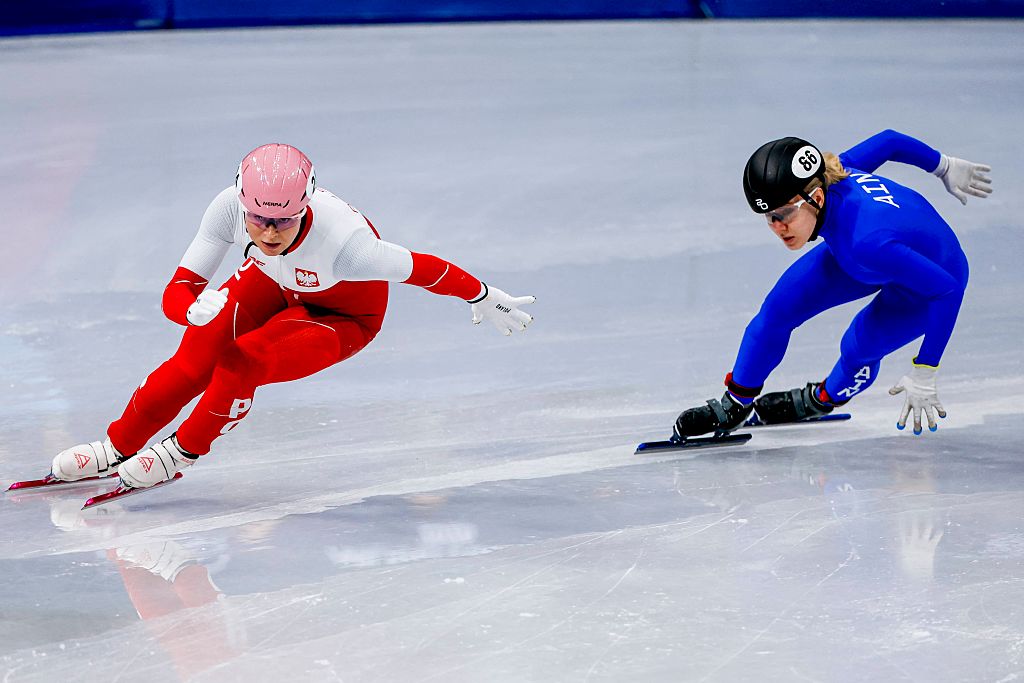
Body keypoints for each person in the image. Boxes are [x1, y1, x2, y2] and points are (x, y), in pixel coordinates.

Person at [49, 143, 535, 489]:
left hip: (341, 315)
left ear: (305, 205)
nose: (269, 230)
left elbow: (424, 269)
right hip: (274, 282)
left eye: (283, 220)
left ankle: (181, 453)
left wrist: (482, 294)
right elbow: (180, 286)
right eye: (258, 219)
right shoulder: (226, 210)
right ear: (242, 201)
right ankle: (117, 446)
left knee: (243, 361)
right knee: (195, 355)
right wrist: (189, 309)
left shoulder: (350, 249)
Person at [674, 130, 991, 440]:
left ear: (817, 197)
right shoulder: (835, 172)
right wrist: (943, 166)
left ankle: (823, 398)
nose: (777, 227)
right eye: (768, 216)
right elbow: (890, 141)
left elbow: (947, 290)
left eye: (784, 213)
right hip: (870, 253)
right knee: (776, 311)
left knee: (859, 346)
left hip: (925, 282)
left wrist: (926, 369)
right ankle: (737, 403)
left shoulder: (866, 242)